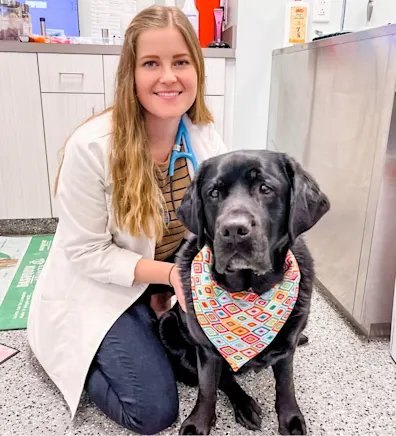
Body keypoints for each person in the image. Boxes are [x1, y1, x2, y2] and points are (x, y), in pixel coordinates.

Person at [27, 5, 227, 435]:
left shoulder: (204, 137)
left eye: (180, 62)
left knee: (215, 364)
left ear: (197, 69)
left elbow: (218, 219)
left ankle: (146, 322)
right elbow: (85, 251)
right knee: (153, 411)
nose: (168, 77)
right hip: (99, 283)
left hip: (164, 276)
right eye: (151, 63)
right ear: (130, 74)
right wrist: (173, 276)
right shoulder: (93, 147)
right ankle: (73, 356)